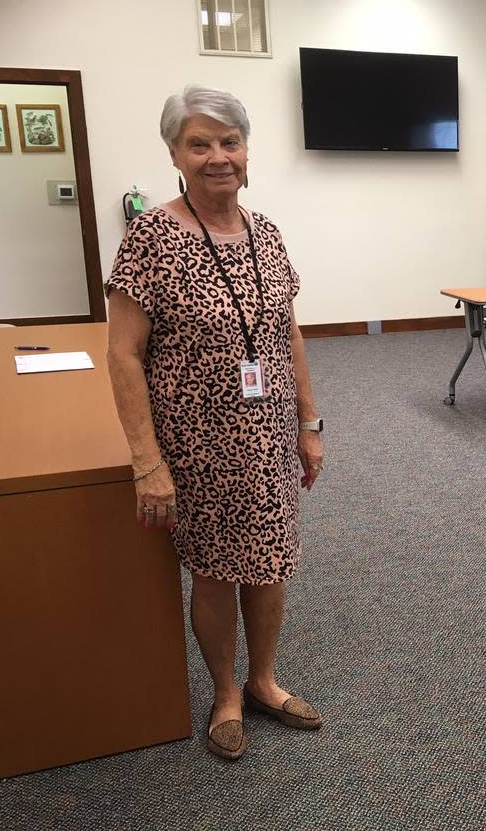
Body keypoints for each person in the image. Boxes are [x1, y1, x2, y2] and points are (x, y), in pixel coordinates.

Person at [107, 85, 324, 761]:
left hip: (266, 442)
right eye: (199, 143)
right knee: (214, 572)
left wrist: (309, 422)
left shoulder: (266, 232)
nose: (217, 157)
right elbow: (122, 353)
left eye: (229, 141)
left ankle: (264, 680)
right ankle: (227, 692)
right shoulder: (151, 237)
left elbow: (288, 333)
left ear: (247, 149)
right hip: (197, 446)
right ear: (175, 152)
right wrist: (148, 461)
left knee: (270, 564)